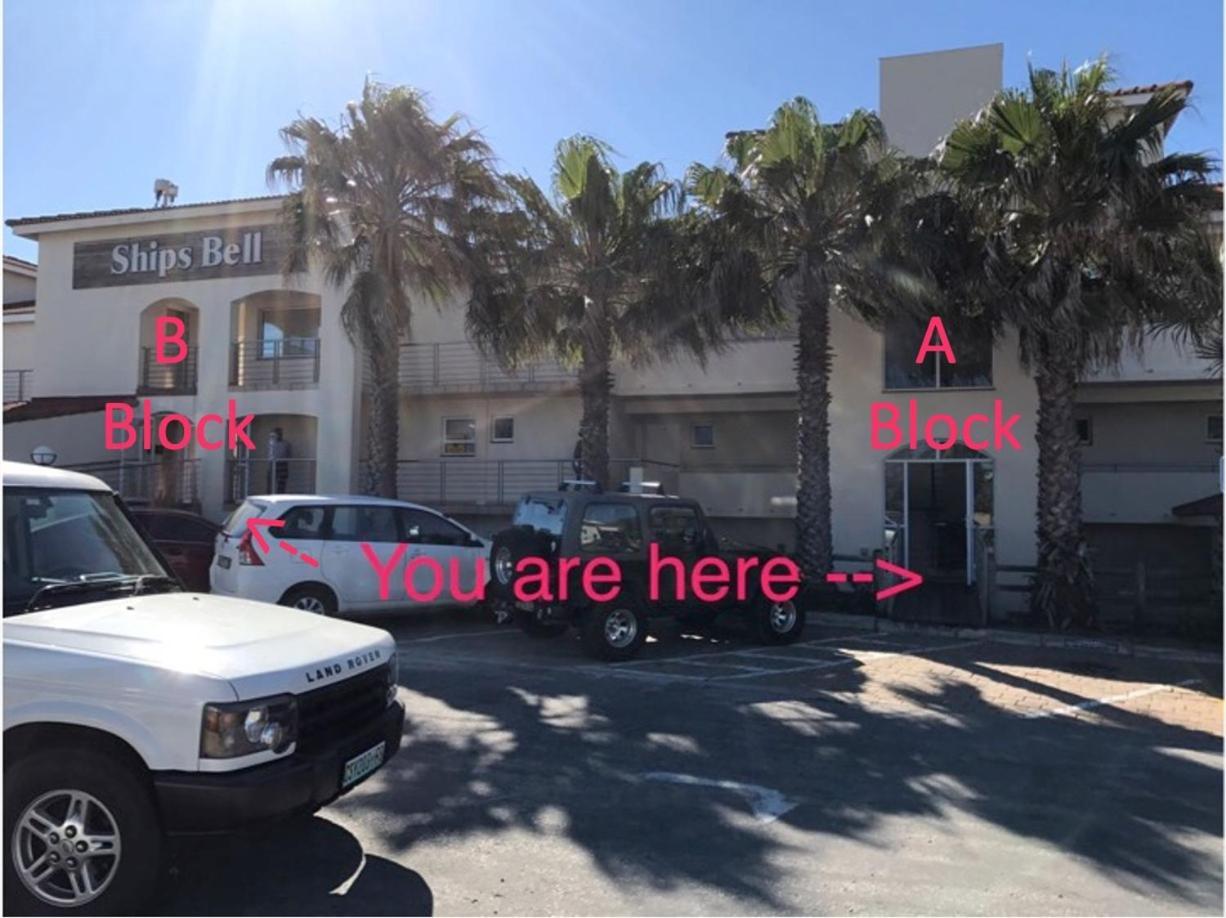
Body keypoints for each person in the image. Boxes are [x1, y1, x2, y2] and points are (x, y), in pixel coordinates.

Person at [267, 427, 292, 493]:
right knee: (270, 482)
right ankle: (268, 496)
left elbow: (289, 454)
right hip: (272, 464)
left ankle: (280, 496)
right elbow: (271, 453)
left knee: (281, 483)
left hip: (282, 464)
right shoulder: (271, 443)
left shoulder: (286, 444)